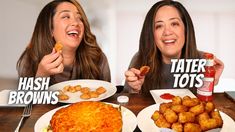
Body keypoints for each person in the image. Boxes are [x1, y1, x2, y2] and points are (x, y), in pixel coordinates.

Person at [124, 0, 224, 94]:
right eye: (159, 26)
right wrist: (134, 90)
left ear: (186, 29)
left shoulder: (204, 60)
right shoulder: (140, 59)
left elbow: (203, 107)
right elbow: (125, 106)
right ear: (151, 34)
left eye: (174, 24)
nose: (167, 32)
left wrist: (210, 81)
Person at [17, 0, 111, 85]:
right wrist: (41, 76)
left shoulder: (98, 59)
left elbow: (108, 100)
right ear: (50, 29)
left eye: (80, 18)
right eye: (66, 16)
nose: (76, 23)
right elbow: (27, 104)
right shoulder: (30, 59)